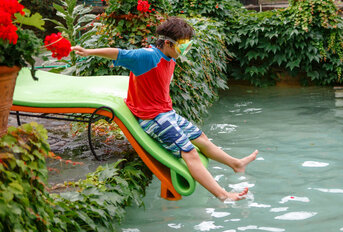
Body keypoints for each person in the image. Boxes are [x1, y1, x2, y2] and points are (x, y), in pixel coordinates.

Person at [72, 16, 258, 201]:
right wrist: (87, 52)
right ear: (168, 43)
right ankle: (223, 195)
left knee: (201, 138)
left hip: (166, 113)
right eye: (182, 45)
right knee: (190, 153)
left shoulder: (169, 56)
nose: (184, 49)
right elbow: (119, 53)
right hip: (152, 118)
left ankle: (236, 164)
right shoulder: (147, 56)